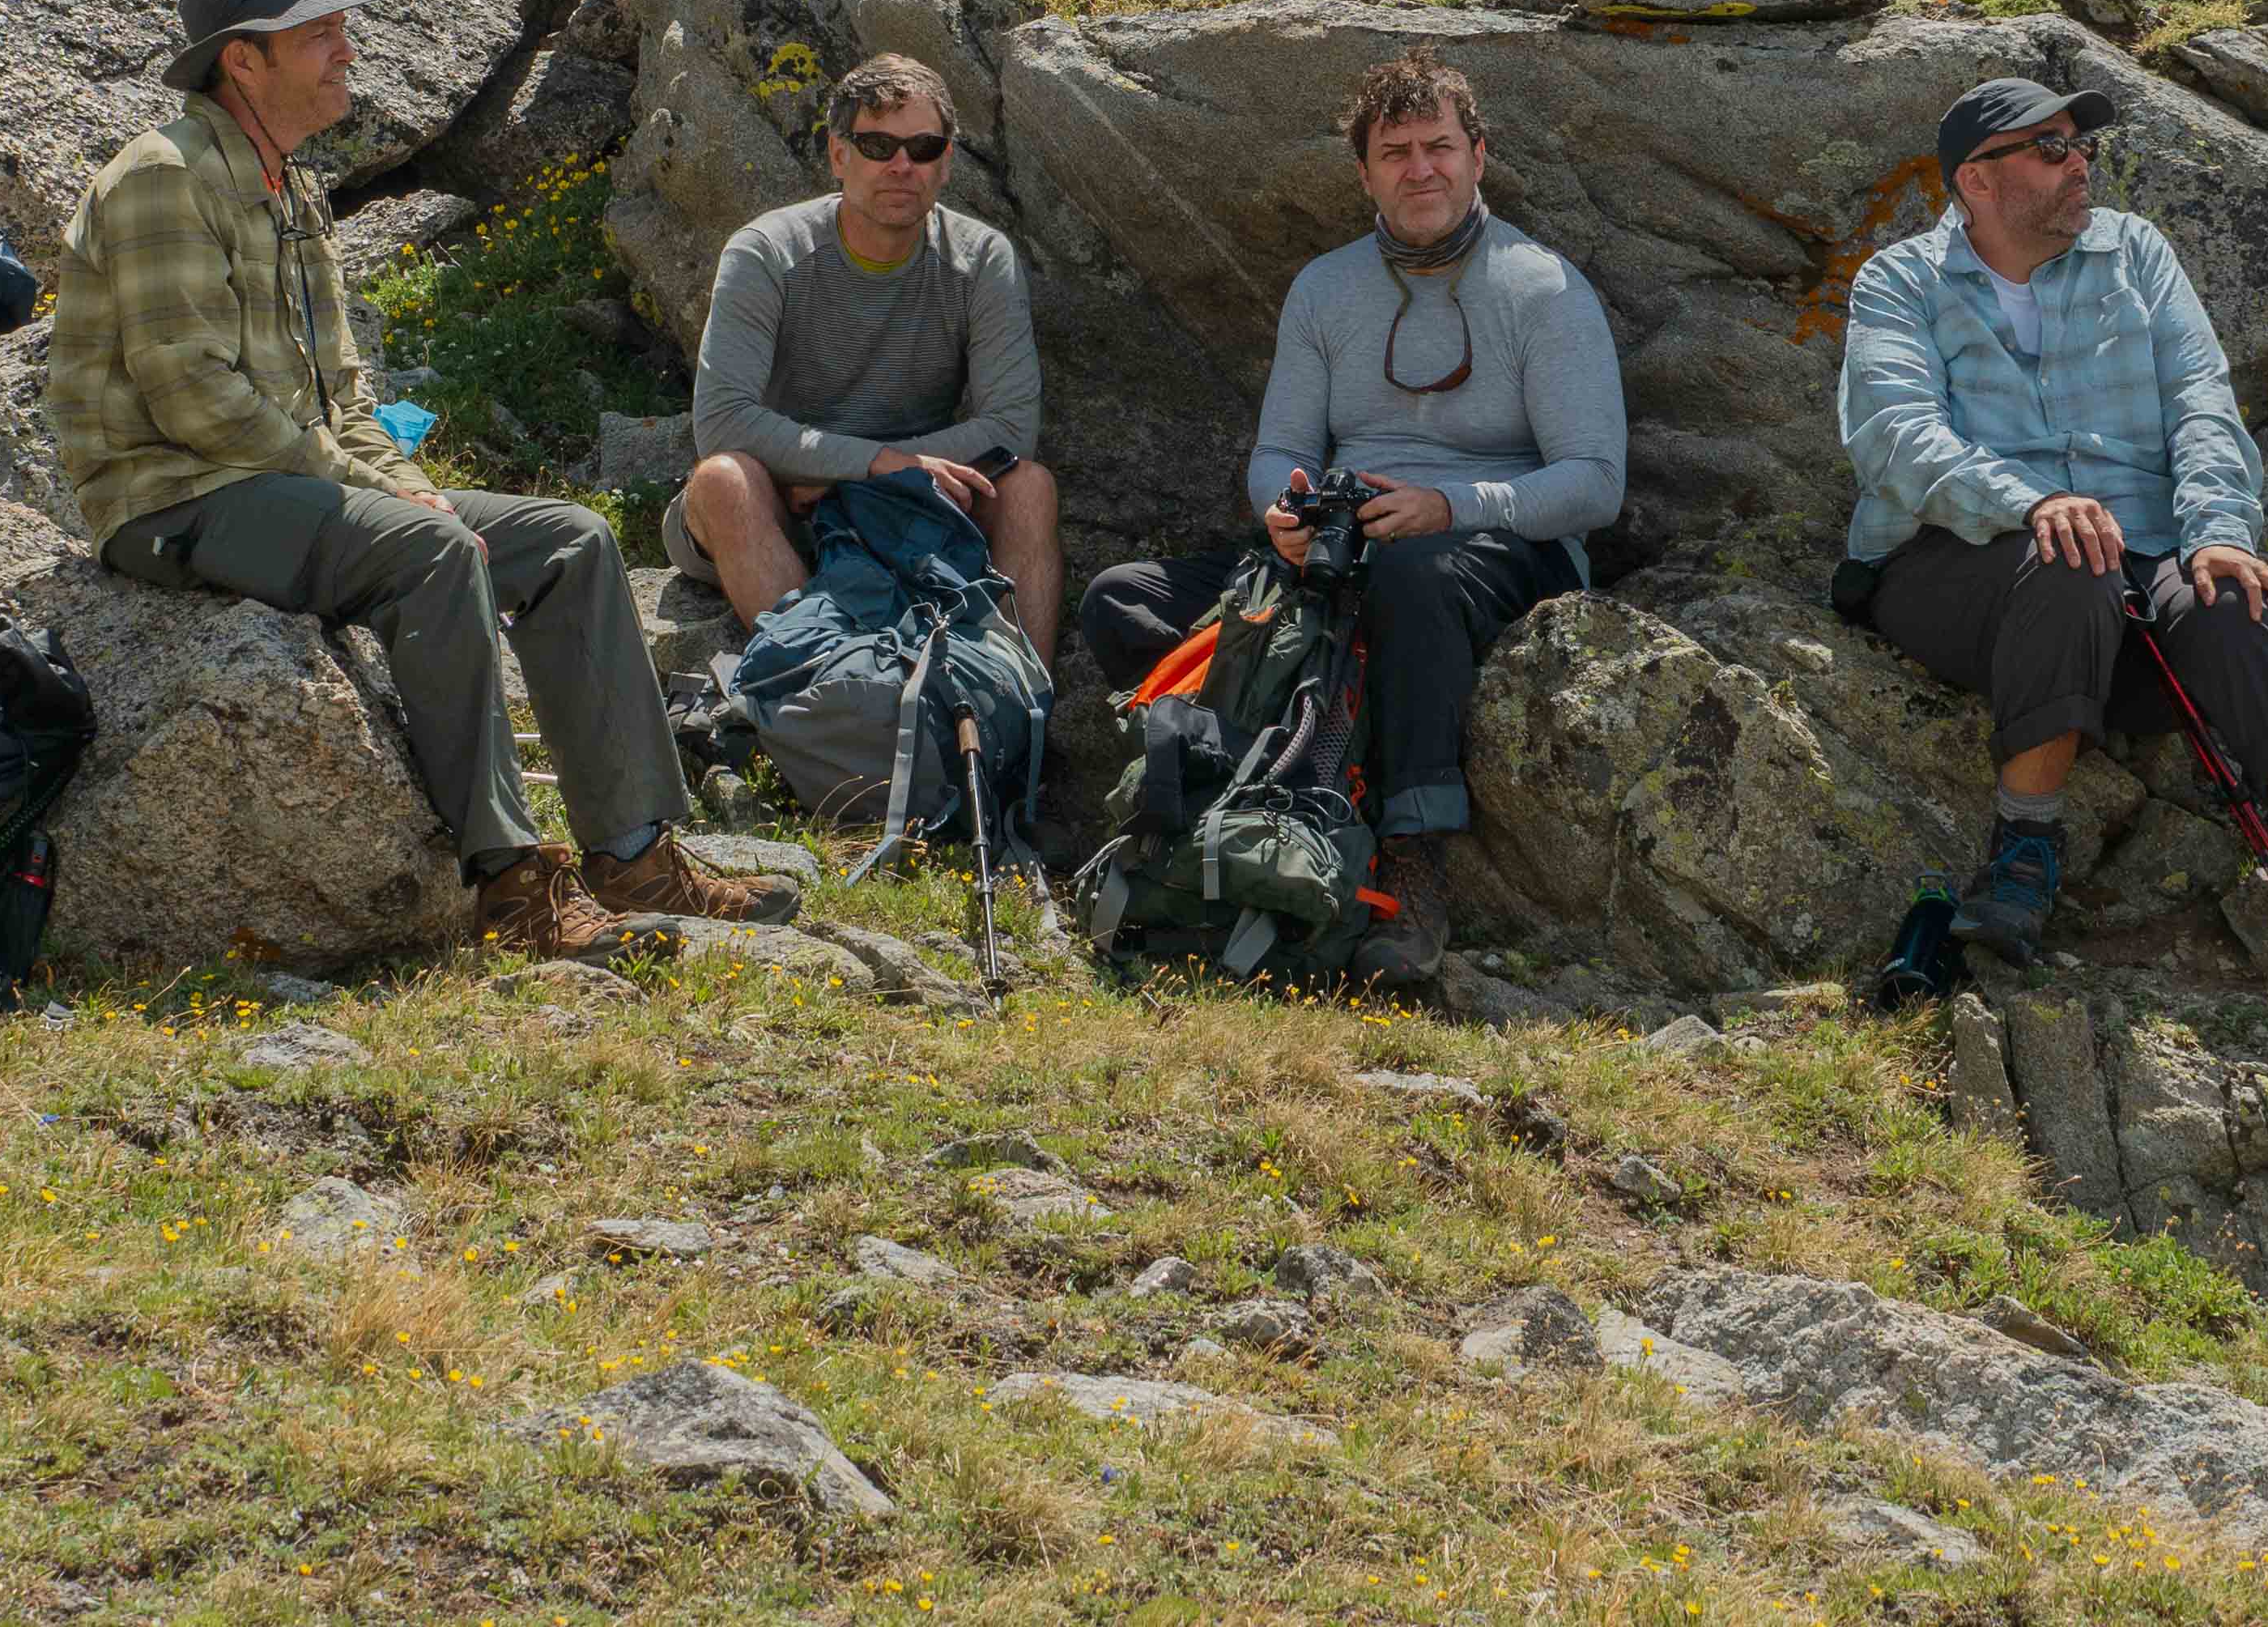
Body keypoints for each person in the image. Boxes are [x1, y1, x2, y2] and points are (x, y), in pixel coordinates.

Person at [49, 0, 781, 960]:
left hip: (278, 485)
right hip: (173, 498)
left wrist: (403, 486)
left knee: (568, 539)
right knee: (430, 552)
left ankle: (633, 857)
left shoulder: (290, 189)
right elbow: (195, 402)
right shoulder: (163, 180)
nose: (348, 50)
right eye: (320, 34)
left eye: (343, 28)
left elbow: (342, 392)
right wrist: (383, 502)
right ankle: (513, 887)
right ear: (242, 62)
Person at [1837, 75, 2268, 991]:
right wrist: (2026, 502)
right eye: (2051, 148)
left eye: (2082, 145)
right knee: (2069, 560)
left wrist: (2218, 531)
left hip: (2132, 570)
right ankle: (2022, 852)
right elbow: (1894, 436)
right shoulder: (1900, 280)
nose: (2080, 165)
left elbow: (2200, 407)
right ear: (1975, 182)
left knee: (2228, 592)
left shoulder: (2134, 253)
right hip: (1950, 568)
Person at [1074, 53, 1627, 986]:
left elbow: (1593, 483)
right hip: (1341, 542)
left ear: (1479, 155)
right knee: (1119, 600)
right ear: (1363, 173)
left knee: (1411, 579)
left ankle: (1413, 853)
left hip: (1498, 545)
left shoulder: (1544, 289)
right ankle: (1222, 791)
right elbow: (1277, 447)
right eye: (1397, 152)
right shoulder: (1323, 288)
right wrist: (1280, 512)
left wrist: (1449, 506)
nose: (1422, 169)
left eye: (1441, 147)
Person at [667, 53, 1059, 661]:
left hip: (917, 504)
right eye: (877, 144)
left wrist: (872, 477)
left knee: (1030, 489)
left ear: (947, 162)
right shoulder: (766, 252)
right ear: (838, 155)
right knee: (722, 480)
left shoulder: (981, 258)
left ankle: (1019, 706)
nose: (902, 165)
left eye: (924, 146)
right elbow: (723, 422)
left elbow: (1012, 429)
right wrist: (875, 464)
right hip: (783, 502)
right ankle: (823, 698)